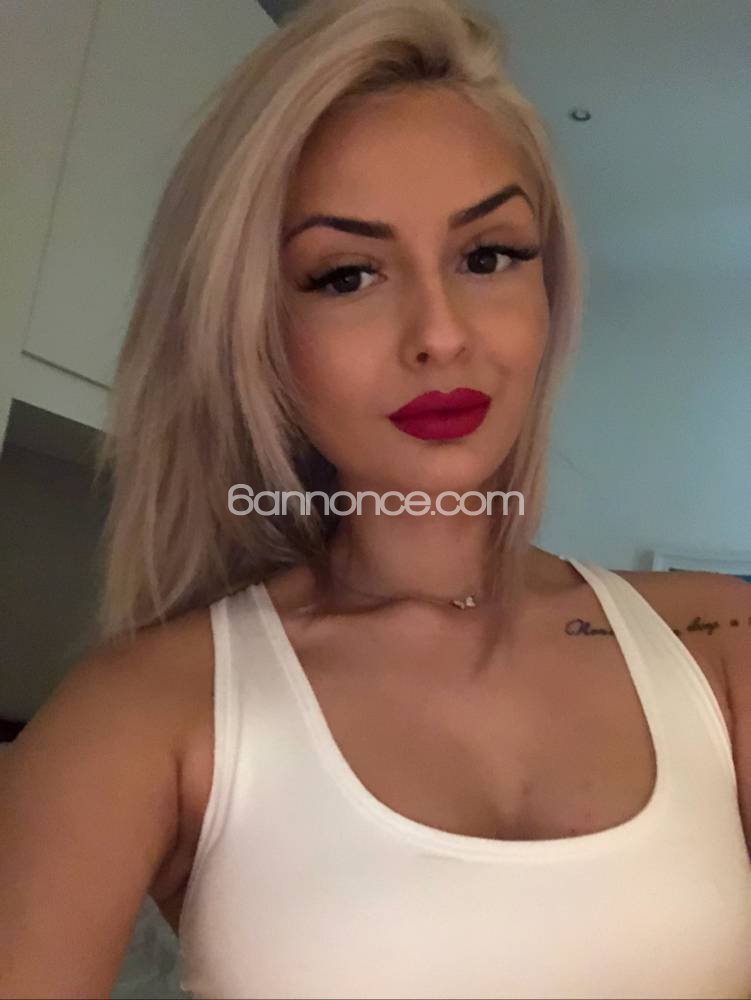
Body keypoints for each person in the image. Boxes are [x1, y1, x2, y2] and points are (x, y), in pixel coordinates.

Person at [1, 0, 749, 997]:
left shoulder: (719, 644)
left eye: (486, 257)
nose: (439, 334)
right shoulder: (145, 711)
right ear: (251, 330)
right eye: (347, 274)